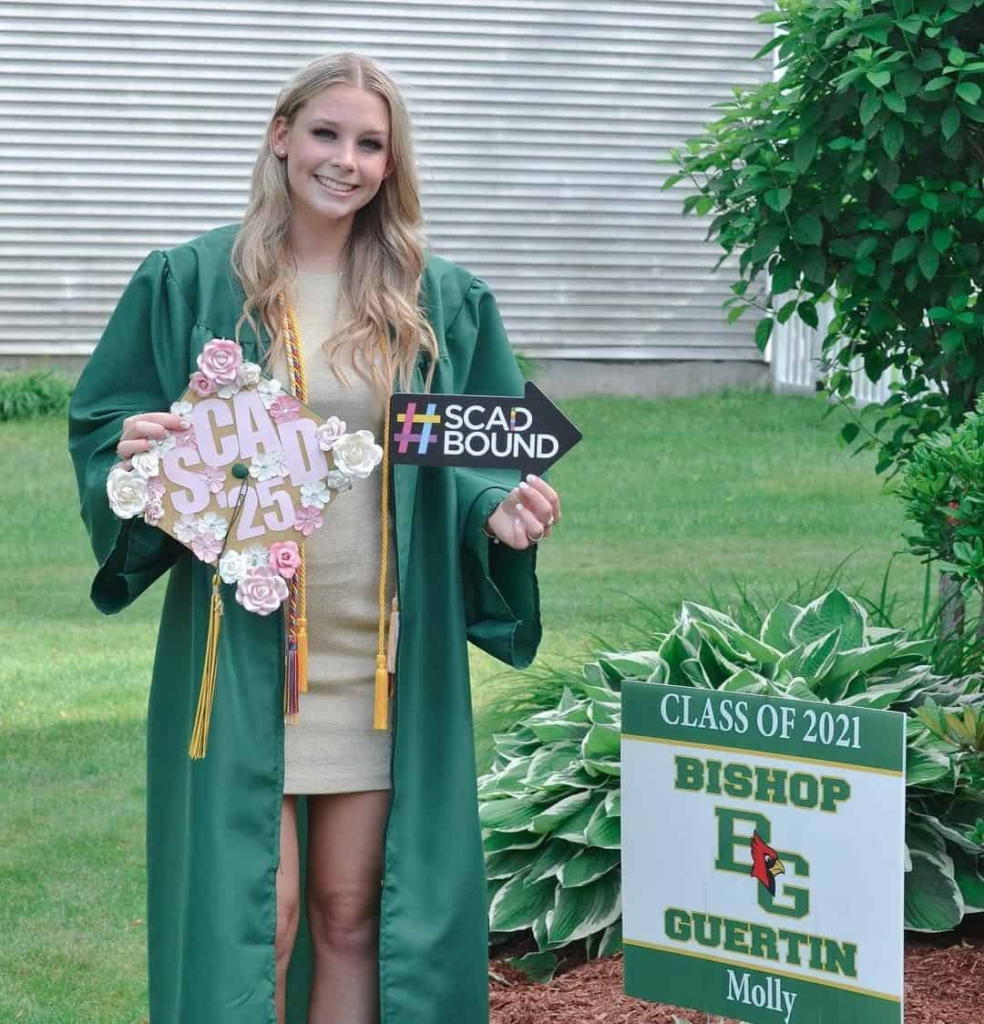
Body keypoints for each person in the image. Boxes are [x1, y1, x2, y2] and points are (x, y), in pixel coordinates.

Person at [68, 51, 560, 1024]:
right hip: (241, 653)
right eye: (327, 133)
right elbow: (108, 420)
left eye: (370, 143)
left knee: (349, 917)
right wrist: (138, 452)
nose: (346, 158)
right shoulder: (190, 282)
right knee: (267, 914)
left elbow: (468, 455)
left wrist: (496, 511)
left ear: (391, 162)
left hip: (380, 663)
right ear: (281, 135)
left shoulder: (435, 298)